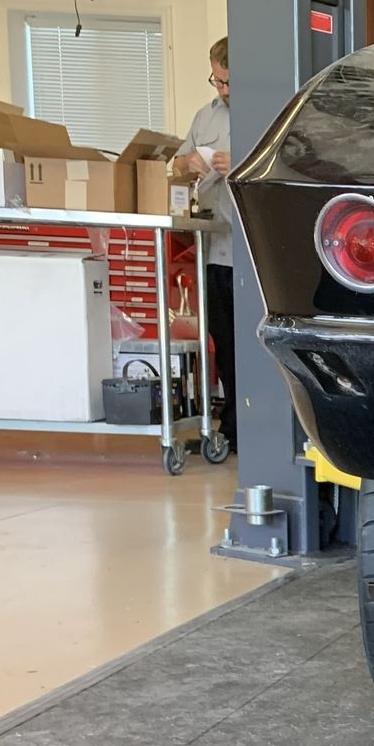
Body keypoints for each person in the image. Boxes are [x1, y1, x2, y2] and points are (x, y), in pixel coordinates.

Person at [172, 37, 236, 451]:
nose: (223, 91)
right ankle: (232, 428)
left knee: (254, 344)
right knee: (225, 340)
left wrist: (246, 160)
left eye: (230, 83)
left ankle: (261, 426)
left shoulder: (273, 110)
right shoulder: (205, 116)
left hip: (253, 251)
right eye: (217, 81)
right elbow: (174, 167)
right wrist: (187, 164)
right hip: (215, 248)